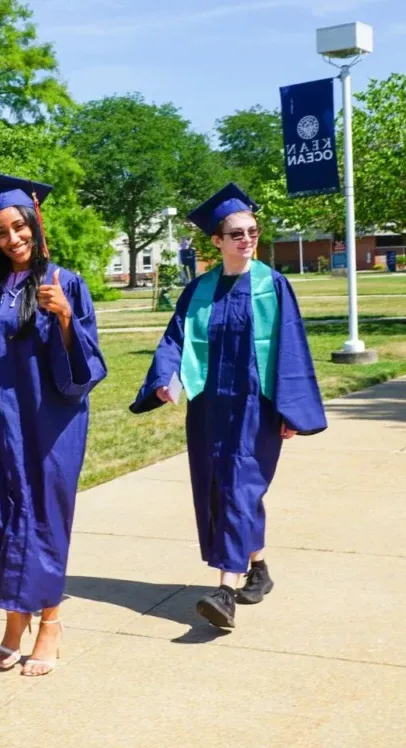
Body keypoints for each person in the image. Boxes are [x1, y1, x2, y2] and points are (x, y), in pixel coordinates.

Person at [130, 183, 327, 630]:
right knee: (223, 490)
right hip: (209, 409)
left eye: (253, 232)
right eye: (236, 234)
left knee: (240, 487)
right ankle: (257, 569)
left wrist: (291, 410)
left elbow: (291, 348)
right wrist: (164, 380)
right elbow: (175, 340)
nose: (247, 240)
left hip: (258, 408)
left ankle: (225, 591)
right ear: (216, 241)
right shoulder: (199, 290)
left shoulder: (273, 286)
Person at [0, 173, 107, 676]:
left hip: (47, 426)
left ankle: (50, 624)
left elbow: (85, 372)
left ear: (36, 226)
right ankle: (14, 618)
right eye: (1, 232)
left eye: (20, 227)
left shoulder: (64, 283)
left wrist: (64, 319)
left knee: (41, 521)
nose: (13, 239)